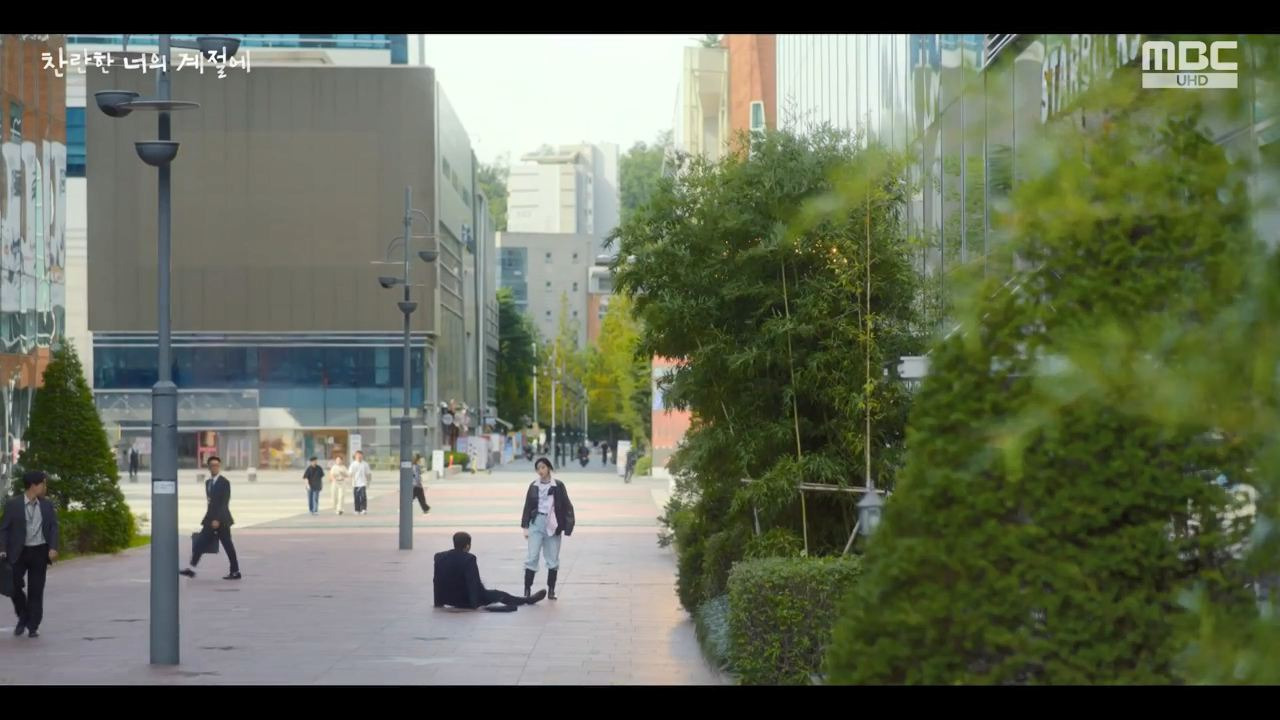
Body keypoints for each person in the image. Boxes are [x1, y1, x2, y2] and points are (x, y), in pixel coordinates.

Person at [0, 471, 59, 638]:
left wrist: (53, 547)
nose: (45, 487)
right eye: (43, 483)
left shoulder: (47, 505)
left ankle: (33, 626)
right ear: (34, 485)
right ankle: (23, 615)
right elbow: (4, 529)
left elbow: (53, 527)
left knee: (36, 590)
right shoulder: (13, 504)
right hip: (18, 552)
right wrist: (2, 548)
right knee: (13, 586)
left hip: (40, 551)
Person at [434, 532, 546, 610]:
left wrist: (438, 602)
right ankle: (527, 600)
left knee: (490, 593)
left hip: (447, 598)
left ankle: (526, 600)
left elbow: (436, 580)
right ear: (467, 546)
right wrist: (474, 604)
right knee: (499, 594)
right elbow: (472, 583)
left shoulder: (439, 557)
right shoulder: (469, 559)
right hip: (464, 600)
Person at [521, 457, 575, 600]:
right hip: (536, 522)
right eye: (538, 468)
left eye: (543, 467)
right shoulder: (533, 485)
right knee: (532, 556)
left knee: (553, 558)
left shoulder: (558, 485)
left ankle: (551, 590)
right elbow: (527, 506)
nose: (540, 471)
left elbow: (567, 505)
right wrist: (525, 526)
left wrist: (568, 526)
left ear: (549, 468)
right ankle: (527, 590)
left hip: (553, 524)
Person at [180, 456, 240, 580]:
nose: (215, 467)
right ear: (208, 467)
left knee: (228, 545)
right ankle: (191, 569)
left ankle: (235, 571)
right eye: (212, 465)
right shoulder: (208, 483)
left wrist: (217, 519)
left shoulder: (225, 482)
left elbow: (224, 502)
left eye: (217, 465)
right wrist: (210, 519)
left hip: (222, 520)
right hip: (210, 520)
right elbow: (210, 503)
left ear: (219, 467)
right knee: (199, 543)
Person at [350, 450, 373, 516]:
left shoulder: (365, 464)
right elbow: (350, 473)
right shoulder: (353, 464)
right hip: (355, 484)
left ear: (362, 456)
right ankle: (357, 510)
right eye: (358, 455)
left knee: (363, 496)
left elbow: (368, 473)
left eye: (360, 455)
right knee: (356, 497)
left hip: (363, 483)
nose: (359, 457)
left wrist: (368, 481)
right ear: (355, 456)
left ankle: (363, 509)